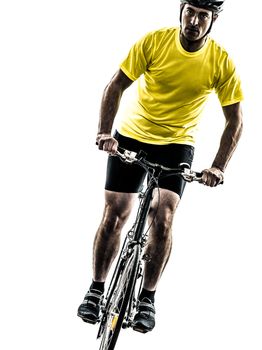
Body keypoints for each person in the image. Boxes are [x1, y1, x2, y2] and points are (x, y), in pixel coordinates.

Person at [78, 0, 243, 333]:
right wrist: (104, 133)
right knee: (115, 213)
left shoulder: (220, 62)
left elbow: (234, 120)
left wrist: (218, 166)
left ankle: (147, 299)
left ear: (212, 21)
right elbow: (116, 85)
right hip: (132, 136)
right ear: (181, 10)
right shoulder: (154, 41)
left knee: (164, 215)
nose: (194, 21)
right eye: (190, 11)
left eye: (203, 16)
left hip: (176, 145)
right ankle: (96, 289)